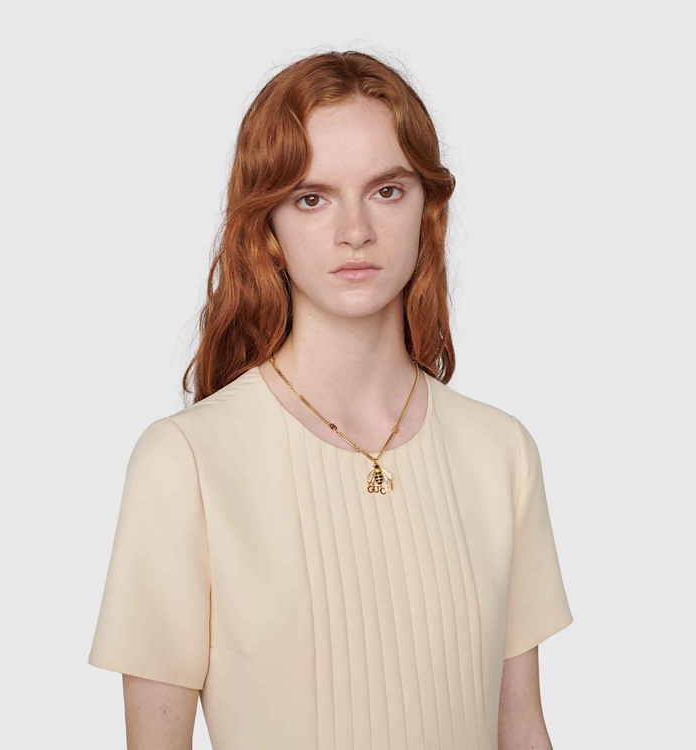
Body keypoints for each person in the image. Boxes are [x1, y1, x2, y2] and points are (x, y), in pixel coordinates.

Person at [88, 49, 573, 750]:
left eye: (387, 190)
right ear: (268, 225)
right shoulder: (187, 461)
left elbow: (521, 729)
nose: (355, 231)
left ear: (427, 208)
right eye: (311, 198)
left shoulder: (501, 453)